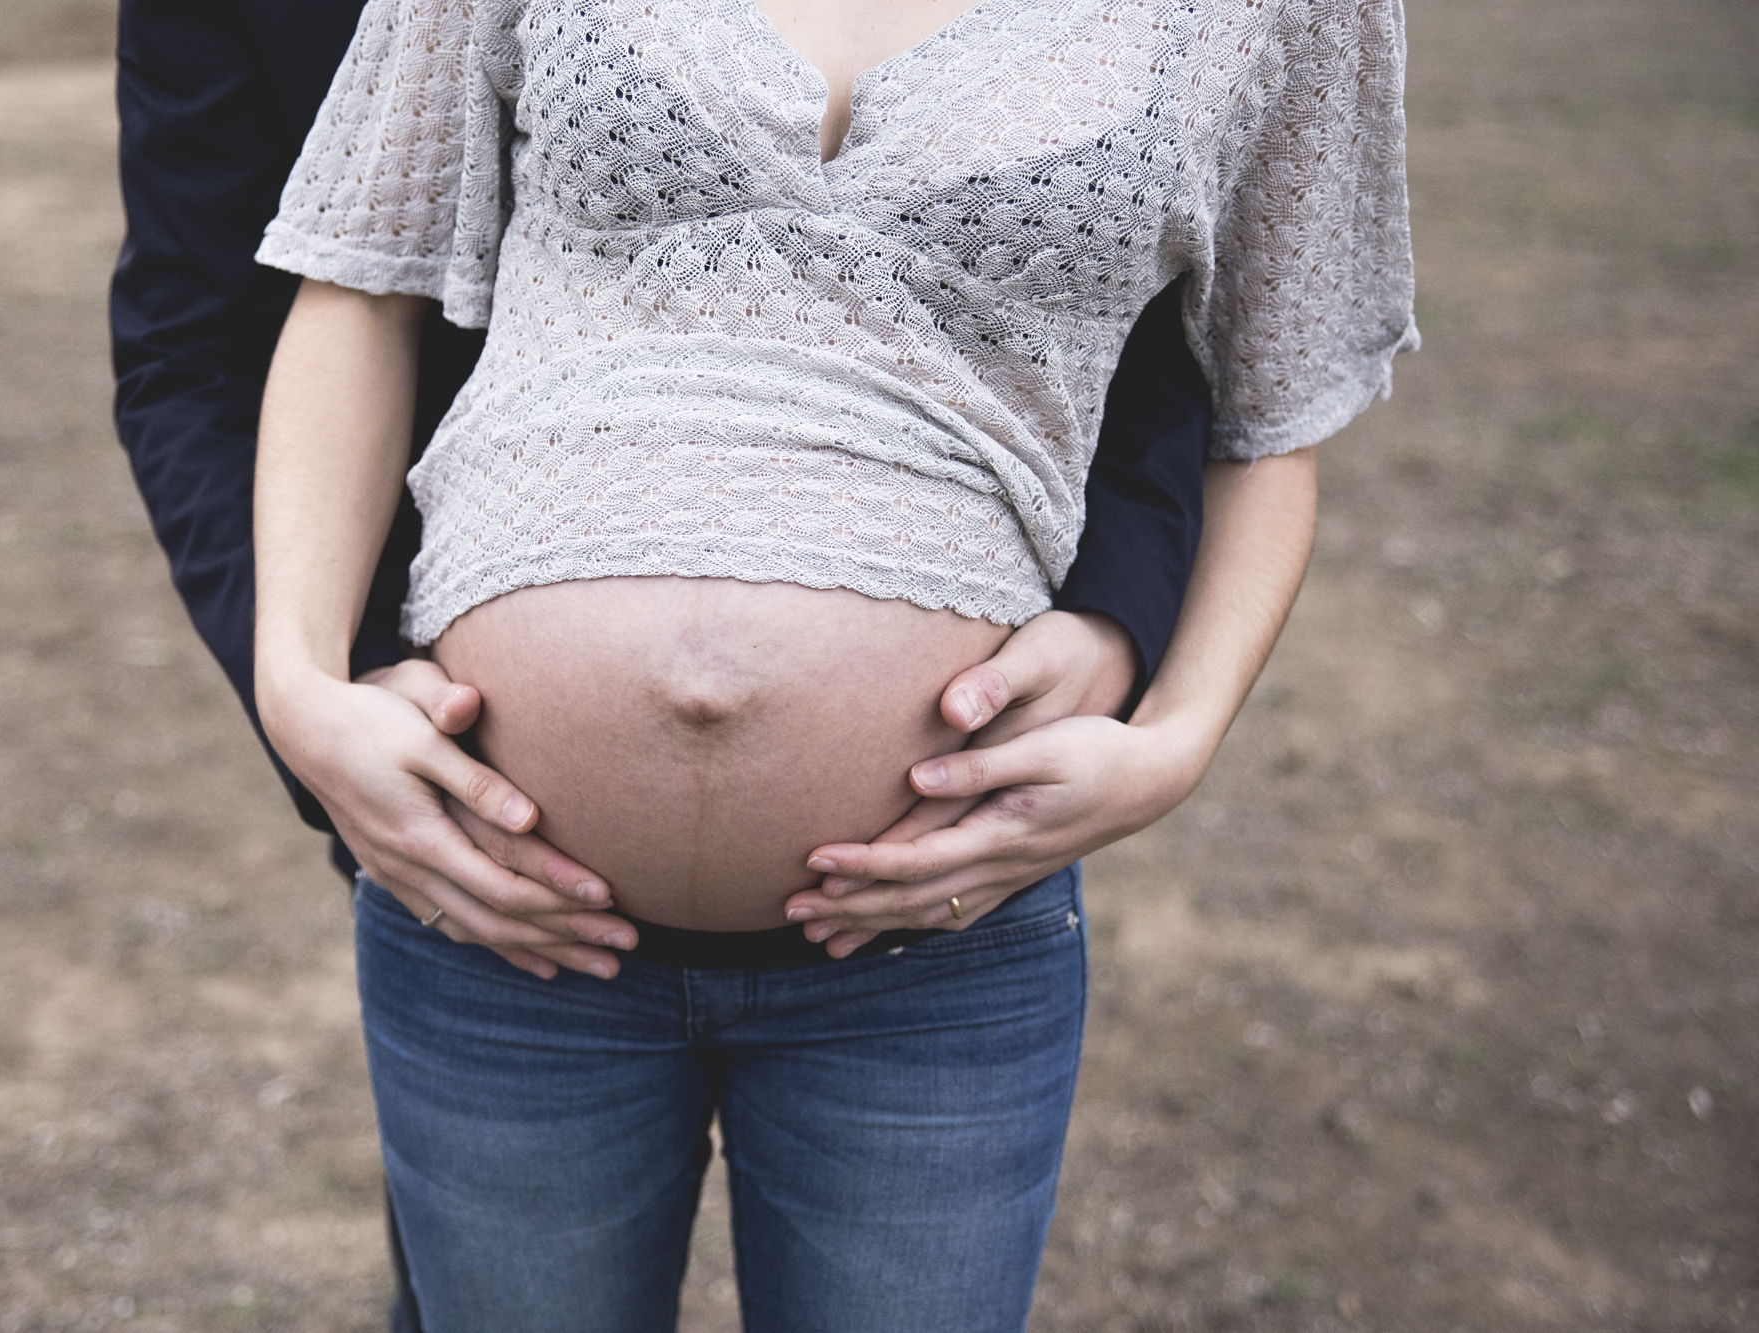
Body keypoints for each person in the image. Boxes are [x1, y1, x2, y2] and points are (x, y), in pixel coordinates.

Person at [243, 0, 1415, 1327]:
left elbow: (1274, 408)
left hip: (933, 954)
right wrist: (298, 683)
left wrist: (1177, 736)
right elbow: (356, 281)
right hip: (502, 919)